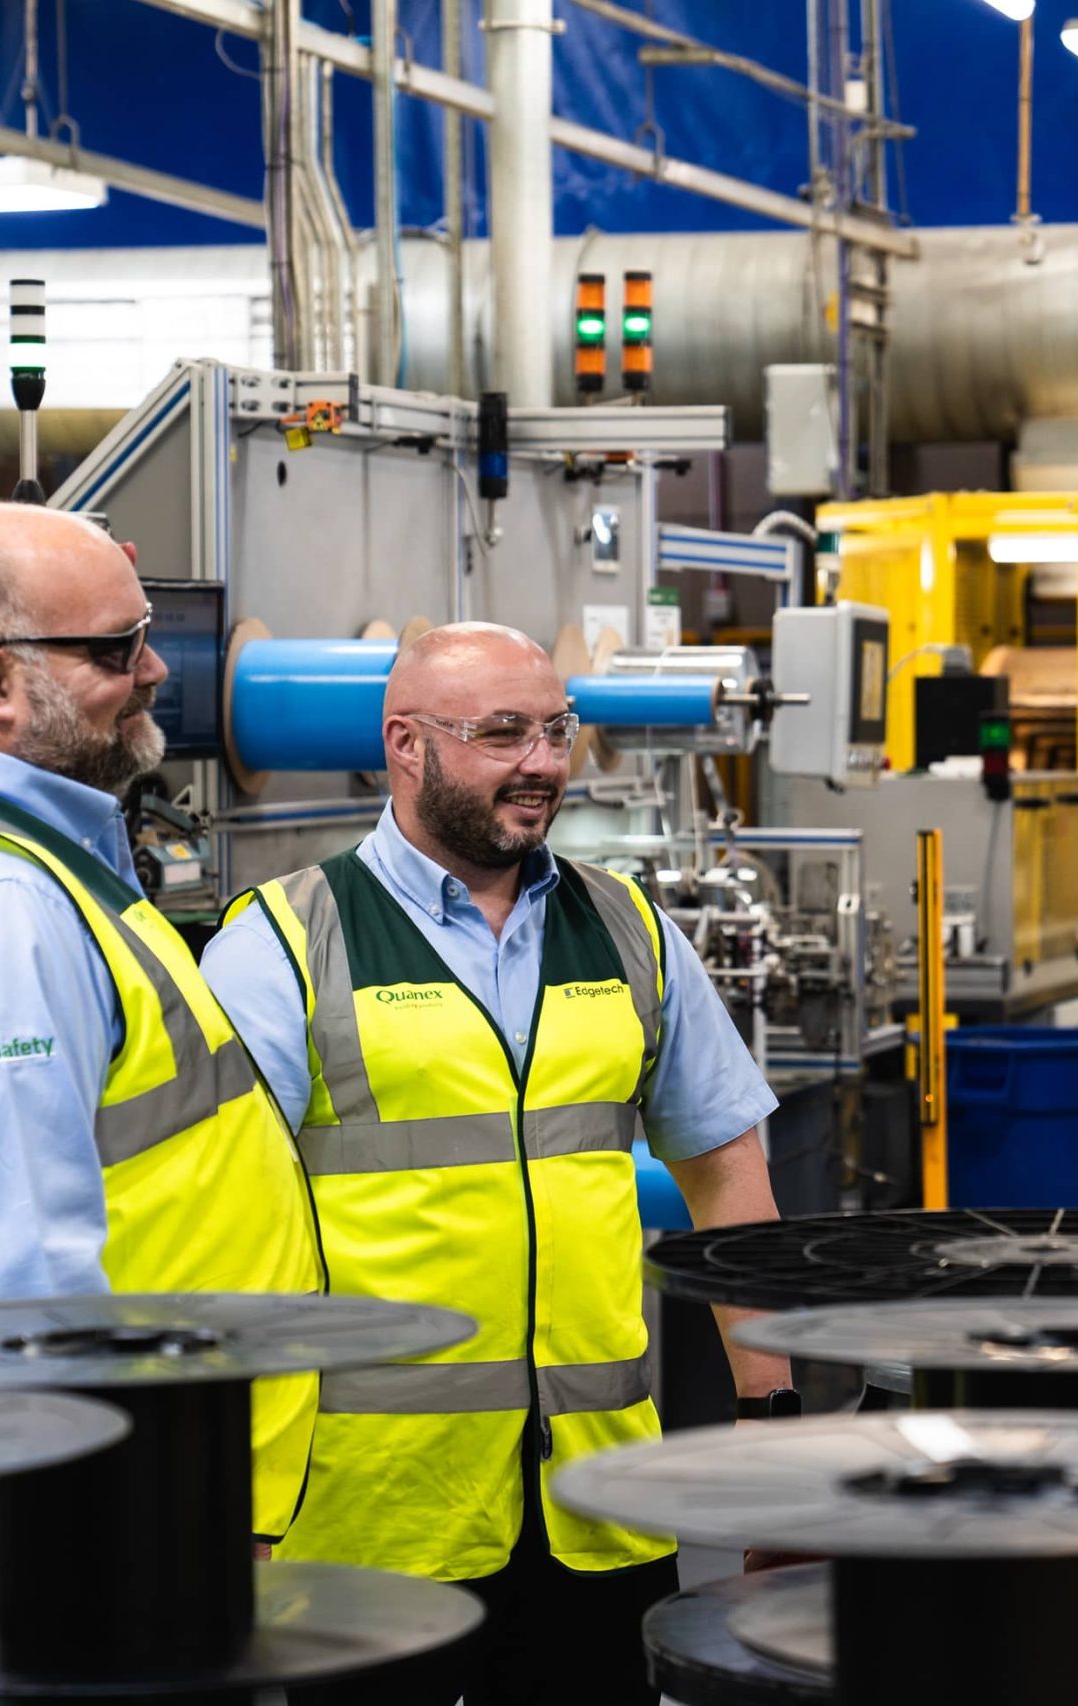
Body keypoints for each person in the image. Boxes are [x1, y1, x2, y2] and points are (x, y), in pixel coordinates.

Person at [200, 622, 792, 1706]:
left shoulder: (626, 930)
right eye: (503, 732)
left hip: (597, 1507)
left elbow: (724, 1166)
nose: (544, 762)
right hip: (376, 1518)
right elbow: (217, 1236)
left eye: (557, 729)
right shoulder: (285, 941)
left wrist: (771, 1422)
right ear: (405, 745)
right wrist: (226, 1499)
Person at [0, 503, 325, 1572]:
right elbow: (21, 1273)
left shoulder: (20, 853)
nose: (154, 672)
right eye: (114, 649)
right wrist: (101, 1545)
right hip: (37, 1517)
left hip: (71, 1489)